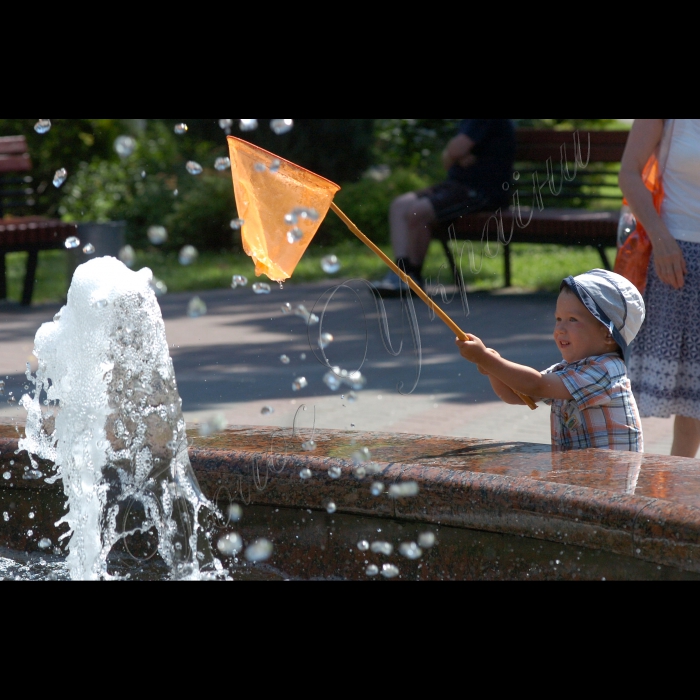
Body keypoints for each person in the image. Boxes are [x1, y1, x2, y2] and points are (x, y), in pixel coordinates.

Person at [455, 269, 646, 452]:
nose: (560, 329)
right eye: (558, 318)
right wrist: (492, 368)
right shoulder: (568, 369)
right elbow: (518, 395)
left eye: (572, 319)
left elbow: (535, 385)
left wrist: (487, 359)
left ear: (607, 335)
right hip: (581, 475)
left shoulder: (606, 371)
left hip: (611, 480)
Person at [619, 119, 700, 458]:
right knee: (690, 399)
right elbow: (629, 173)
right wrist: (661, 238)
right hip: (679, 258)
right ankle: (670, 502)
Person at [375, 119, 516, 295]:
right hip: (456, 187)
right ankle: (400, 272)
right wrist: (454, 154)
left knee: (418, 212)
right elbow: (447, 159)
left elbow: (454, 151)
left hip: (482, 192)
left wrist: (455, 153)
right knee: (400, 205)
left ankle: (412, 278)